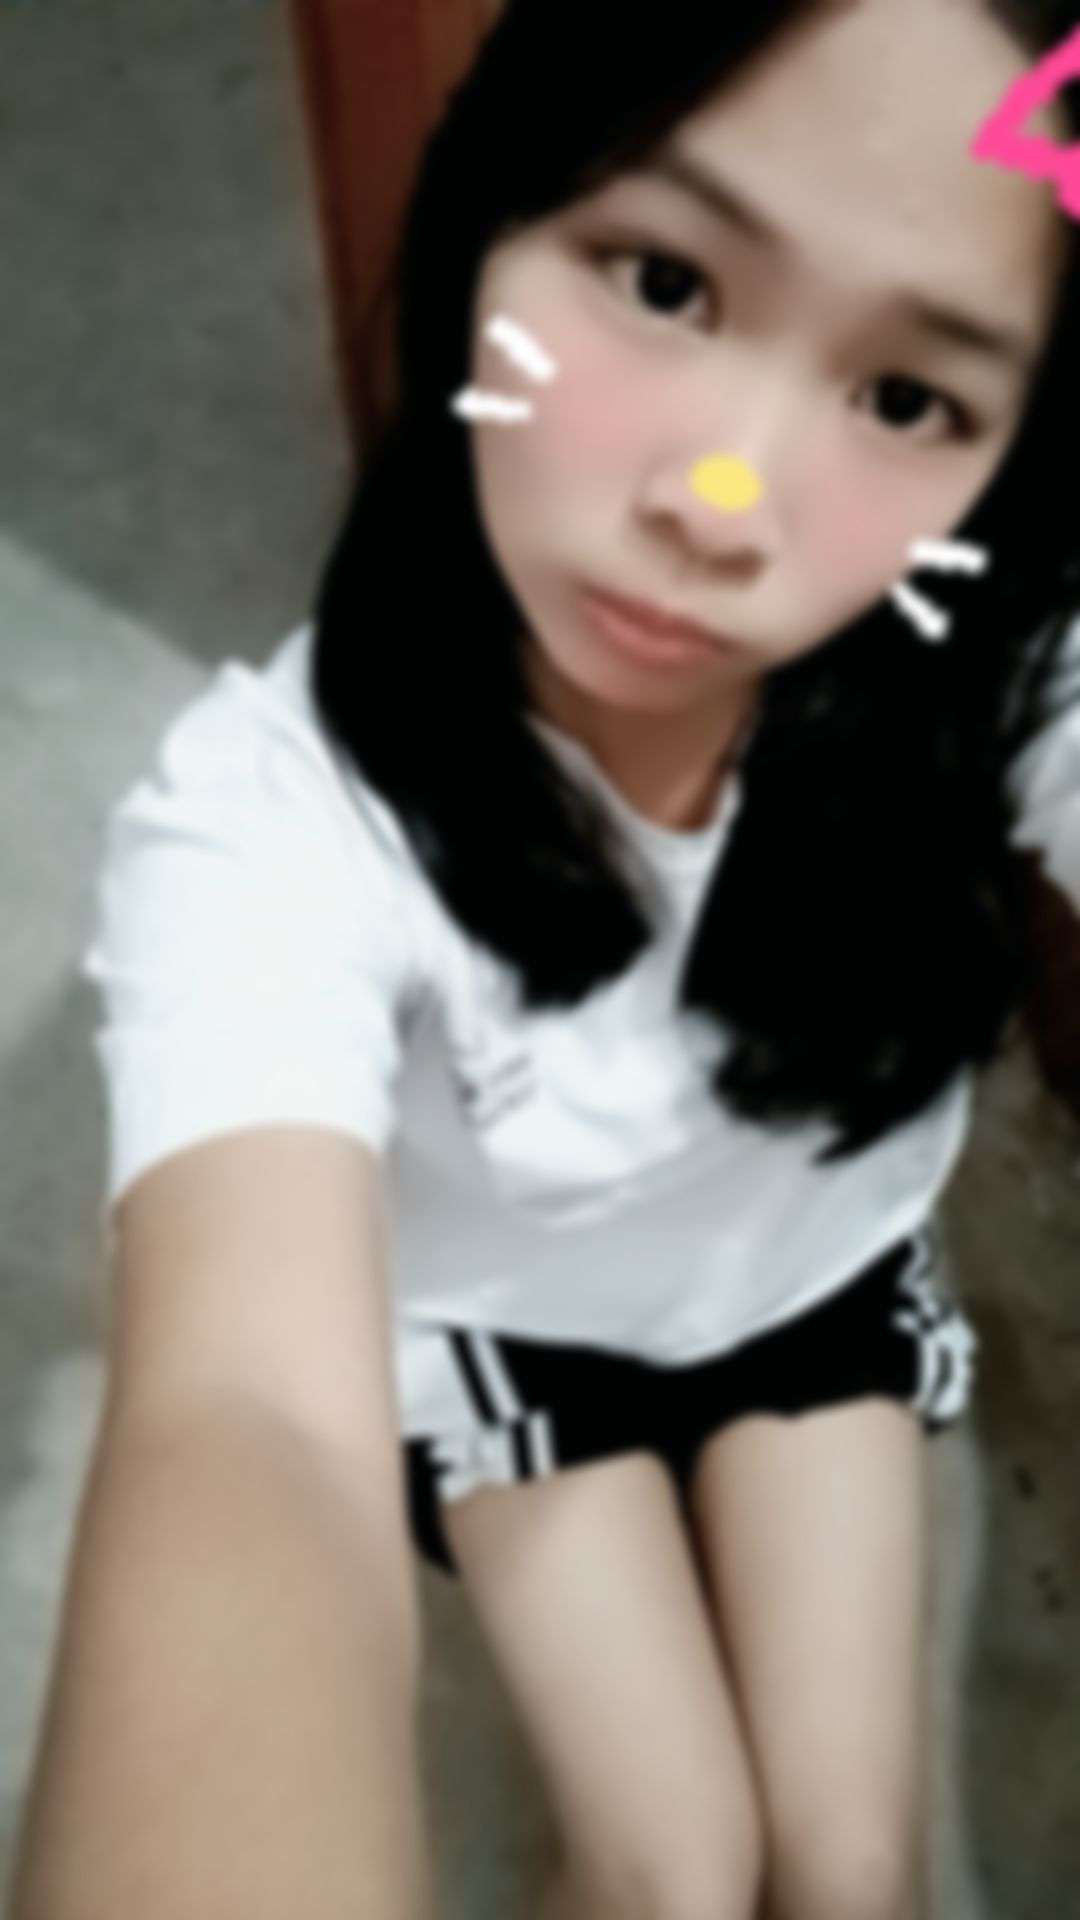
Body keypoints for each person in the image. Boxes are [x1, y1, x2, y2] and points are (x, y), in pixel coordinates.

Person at [11, 3, 1080, 1919]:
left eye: (910, 398)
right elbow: (246, 1417)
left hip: (814, 1278)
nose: (720, 499)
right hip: (515, 1343)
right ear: (490, 214)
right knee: (675, 1868)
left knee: (855, 1874)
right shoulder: (270, 822)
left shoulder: (988, 669)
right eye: (665, 282)